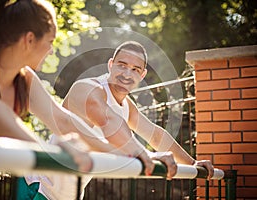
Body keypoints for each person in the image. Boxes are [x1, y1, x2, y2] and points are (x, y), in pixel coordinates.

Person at [0, 0, 122, 199]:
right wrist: (48, 153)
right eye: (50, 42)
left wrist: (124, 155)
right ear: (29, 40)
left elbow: (62, 120)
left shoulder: (24, 80)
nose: (51, 50)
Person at [32, 41, 215, 199]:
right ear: (110, 65)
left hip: (68, 195)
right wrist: (148, 156)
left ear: (142, 75)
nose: (127, 74)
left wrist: (192, 163)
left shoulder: (127, 106)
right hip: (38, 188)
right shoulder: (88, 88)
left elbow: (156, 136)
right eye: (122, 65)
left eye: (135, 69)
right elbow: (109, 121)